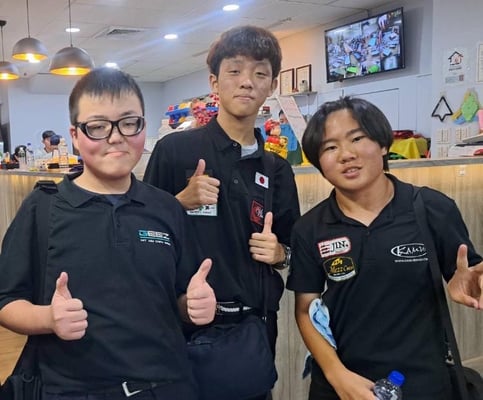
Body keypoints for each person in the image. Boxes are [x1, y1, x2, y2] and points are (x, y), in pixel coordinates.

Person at [0, 67, 217, 400]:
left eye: (129, 123)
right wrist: (48, 318)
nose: (115, 137)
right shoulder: (43, 208)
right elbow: (6, 302)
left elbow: (180, 297)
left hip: (167, 385)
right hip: (72, 390)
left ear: (143, 126)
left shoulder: (166, 207)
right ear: (75, 135)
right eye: (98, 126)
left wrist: (194, 306)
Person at [286, 96, 483, 400]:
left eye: (357, 138)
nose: (346, 155)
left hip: (422, 382)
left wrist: (471, 285)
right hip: (343, 385)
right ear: (319, 163)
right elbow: (305, 309)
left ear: (382, 144)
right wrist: (337, 376)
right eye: (330, 147)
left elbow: (469, 274)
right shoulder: (309, 228)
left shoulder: (432, 208)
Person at [143, 25, 301, 399]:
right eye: (235, 70)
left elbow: (294, 247)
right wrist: (178, 203)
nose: (246, 81)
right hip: (184, 326)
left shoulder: (277, 169)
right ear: (214, 81)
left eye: (259, 73)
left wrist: (279, 253)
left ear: (271, 86)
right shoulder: (175, 151)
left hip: (252, 331)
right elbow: (142, 235)